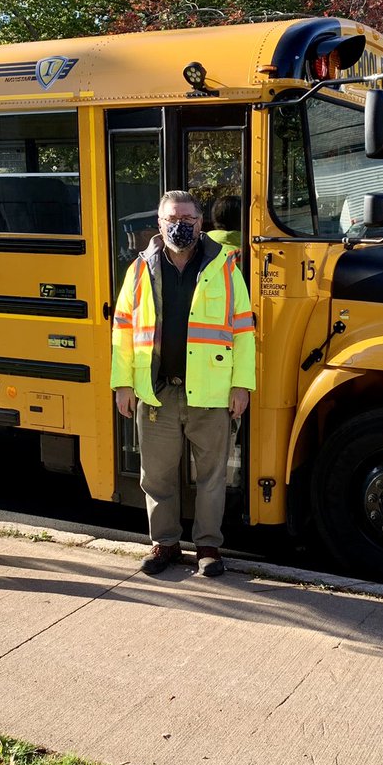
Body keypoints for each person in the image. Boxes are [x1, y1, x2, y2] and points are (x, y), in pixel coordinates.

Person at [111, 191, 255, 577]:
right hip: (156, 391)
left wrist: (241, 385)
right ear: (159, 223)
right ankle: (165, 544)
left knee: (211, 476)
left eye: (189, 218)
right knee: (156, 476)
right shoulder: (139, 269)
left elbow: (243, 329)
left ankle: (208, 546)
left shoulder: (225, 267)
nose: (182, 225)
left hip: (210, 391)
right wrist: (122, 384)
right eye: (173, 217)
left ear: (201, 222)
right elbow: (122, 329)